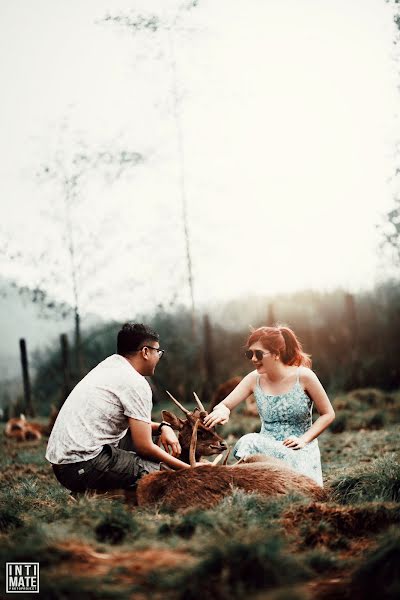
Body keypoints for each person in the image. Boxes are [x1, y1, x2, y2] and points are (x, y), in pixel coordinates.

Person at [46, 323, 195, 493]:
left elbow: (140, 429)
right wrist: (189, 469)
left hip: (63, 465)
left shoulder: (109, 366)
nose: (159, 357)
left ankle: (107, 490)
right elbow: (144, 446)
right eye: (158, 352)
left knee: (152, 446)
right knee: (158, 472)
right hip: (81, 466)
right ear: (146, 352)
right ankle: (103, 494)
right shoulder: (135, 382)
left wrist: (163, 427)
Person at [204, 326, 335, 486]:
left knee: (301, 488)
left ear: (276, 354)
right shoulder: (253, 379)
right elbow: (225, 404)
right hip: (267, 447)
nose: (253, 358)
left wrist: (303, 440)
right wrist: (223, 410)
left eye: (258, 353)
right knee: (248, 441)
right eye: (249, 353)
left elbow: (328, 414)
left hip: (299, 449)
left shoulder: (304, 376)